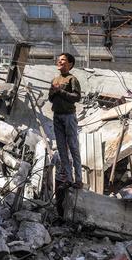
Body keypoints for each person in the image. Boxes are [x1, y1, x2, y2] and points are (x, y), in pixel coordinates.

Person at [49, 52, 82, 190]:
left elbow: (77, 97)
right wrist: (54, 92)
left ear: (70, 64)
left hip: (69, 116)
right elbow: (51, 98)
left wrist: (60, 92)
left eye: (63, 60)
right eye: (59, 59)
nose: (59, 61)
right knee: (62, 149)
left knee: (73, 147)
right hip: (57, 116)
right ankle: (69, 179)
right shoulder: (55, 80)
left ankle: (79, 180)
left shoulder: (72, 79)